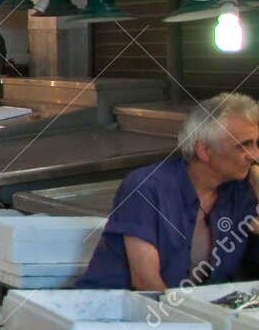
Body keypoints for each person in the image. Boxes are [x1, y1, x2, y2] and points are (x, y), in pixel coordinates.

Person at [77, 93, 259, 291]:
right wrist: (195, 320)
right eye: (244, 145)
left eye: (257, 143)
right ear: (204, 151)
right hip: (117, 312)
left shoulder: (242, 191)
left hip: (193, 314)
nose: (255, 155)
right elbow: (147, 284)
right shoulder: (146, 187)